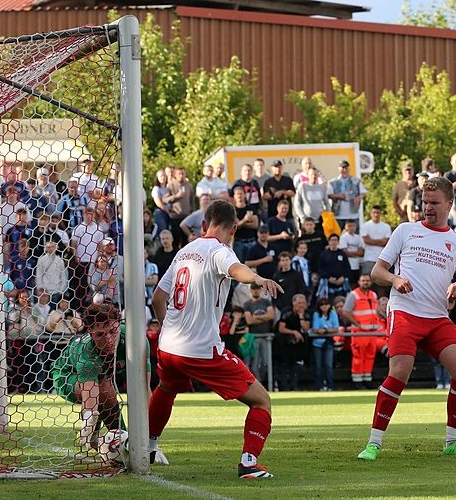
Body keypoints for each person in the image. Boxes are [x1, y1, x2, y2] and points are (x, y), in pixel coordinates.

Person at [149, 199, 284, 479]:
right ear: (234, 228)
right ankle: (249, 463)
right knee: (261, 401)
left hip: (168, 347)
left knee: (166, 387)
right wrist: (257, 278)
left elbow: (158, 297)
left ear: (203, 224)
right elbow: (237, 270)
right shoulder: (219, 251)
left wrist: (168, 330)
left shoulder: (184, 251)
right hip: (200, 350)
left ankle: (147, 447)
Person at [357, 176, 456, 461]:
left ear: (449, 203)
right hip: (405, 313)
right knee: (400, 370)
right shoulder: (405, 230)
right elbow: (377, 272)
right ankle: (374, 443)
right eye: (424, 202)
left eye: (434, 203)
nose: (427, 208)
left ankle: (452, 441)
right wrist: (394, 279)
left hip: (437, 318)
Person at [50, 304, 127, 454]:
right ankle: (112, 436)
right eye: (100, 335)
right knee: (104, 389)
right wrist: (88, 419)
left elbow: (144, 389)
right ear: (90, 332)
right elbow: (90, 393)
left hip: (101, 378)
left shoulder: (134, 340)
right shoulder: (86, 352)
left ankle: (123, 441)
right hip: (66, 376)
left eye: (112, 331)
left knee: (105, 388)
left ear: (119, 325)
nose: (109, 339)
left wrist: (149, 440)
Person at [340, 274, 386, 388]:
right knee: (358, 356)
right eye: (363, 280)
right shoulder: (353, 295)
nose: (365, 283)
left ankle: (367, 379)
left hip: (372, 331)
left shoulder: (373, 295)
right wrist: (358, 324)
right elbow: (345, 312)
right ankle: (357, 381)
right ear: (359, 282)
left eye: (367, 281)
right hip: (359, 331)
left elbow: (374, 312)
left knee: (370, 356)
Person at [327, 160, 366, 229]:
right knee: (336, 236)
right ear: (339, 169)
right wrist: (339, 196)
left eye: (346, 168)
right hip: (338, 215)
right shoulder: (333, 182)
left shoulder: (356, 181)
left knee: (354, 237)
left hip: (353, 215)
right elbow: (329, 194)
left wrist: (358, 197)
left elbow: (364, 192)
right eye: (342, 168)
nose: (344, 170)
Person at [310, 297, 338, 392]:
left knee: (328, 365)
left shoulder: (333, 314)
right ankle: (319, 386)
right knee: (318, 365)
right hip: (317, 343)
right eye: (322, 304)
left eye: (326, 304)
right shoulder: (316, 314)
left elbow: (336, 328)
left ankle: (330, 386)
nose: (324, 306)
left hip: (328, 342)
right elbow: (316, 328)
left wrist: (325, 330)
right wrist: (324, 330)